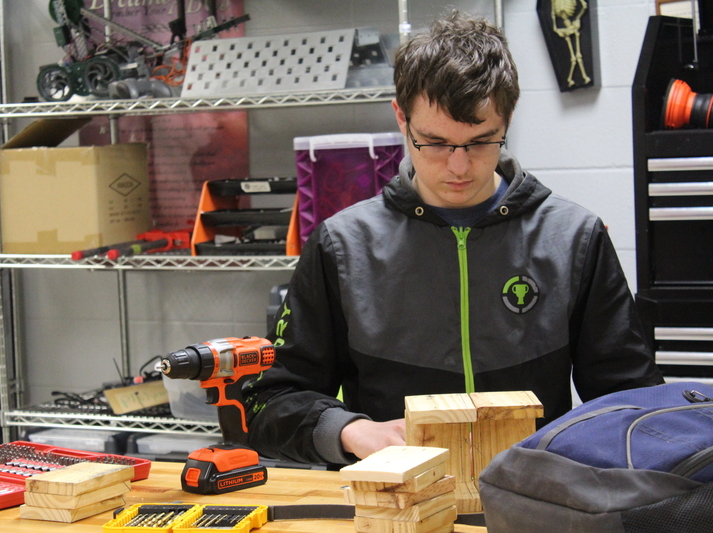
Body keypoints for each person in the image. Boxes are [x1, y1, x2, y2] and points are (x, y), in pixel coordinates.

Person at [244, 11, 663, 466]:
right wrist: (349, 429)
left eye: (482, 142)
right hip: (396, 505)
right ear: (401, 118)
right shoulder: (342, 246)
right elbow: (271, 400)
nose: (459, 167)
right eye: (435, 142)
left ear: (507, 121)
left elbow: (634, 402)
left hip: (532, 501)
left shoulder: (574, 239)